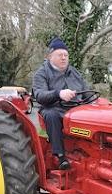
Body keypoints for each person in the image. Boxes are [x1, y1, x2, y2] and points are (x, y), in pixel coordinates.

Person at [33, 37, 88, 170]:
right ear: (50, 56)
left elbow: (86, 92)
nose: (64, 58)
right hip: (53, 107)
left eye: (66, 55)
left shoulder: (74, 72)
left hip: (75, 109)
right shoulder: (42, 73)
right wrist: (58, 93)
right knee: (52, 115)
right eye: (60, 55)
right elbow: (39, 95)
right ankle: (60, 156)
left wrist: (98, 102)